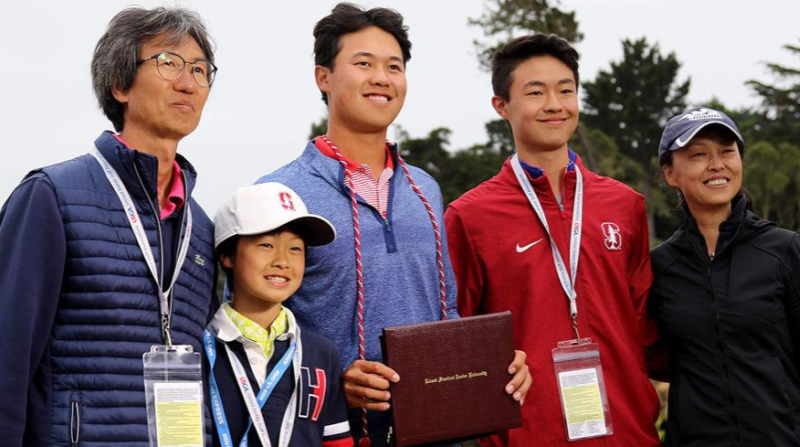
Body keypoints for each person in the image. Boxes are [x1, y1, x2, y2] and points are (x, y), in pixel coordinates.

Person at [256, 4, 531, 446]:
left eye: (394, 66)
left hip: (440, 430)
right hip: (334, 432)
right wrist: (329, 377)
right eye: (363, 63)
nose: (381, 78)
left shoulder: (425, 188)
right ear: (323, 77)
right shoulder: (278, 194)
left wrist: (493, 361)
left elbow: (446, 311)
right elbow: (252, 328)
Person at [0, 7, 219, 446]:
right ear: (119, 85)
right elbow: (7, 356)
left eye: (200, 69)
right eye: (168, 63)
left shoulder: (202, 228)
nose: (188, 82)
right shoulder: (51, 196)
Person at [445, 34, 660, 447]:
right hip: (527, 434)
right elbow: (461, 339)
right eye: (536, 92)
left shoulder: (624, 205)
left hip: (628, 431)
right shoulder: (470, 217)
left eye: (566, 90)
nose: (555, 104)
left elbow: (643, 324)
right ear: (501, 106)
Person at [649, 106, 800, 446]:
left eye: (727, 151)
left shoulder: (784, 250)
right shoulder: (661, 266)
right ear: (670, 173)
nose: (717, 165)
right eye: (699, 154)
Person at [207, 182, 354, 447]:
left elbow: (336, 442)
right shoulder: (196, 350)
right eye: (266, 245)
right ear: (227, 256)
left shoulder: (321, 353)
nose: (282, 261)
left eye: (295, 248)